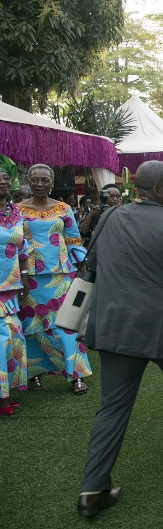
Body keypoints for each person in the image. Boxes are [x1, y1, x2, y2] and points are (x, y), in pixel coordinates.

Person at [77, 160, 163, 517]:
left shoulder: (110, 216)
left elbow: (92, 261)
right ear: (157, 191)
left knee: (113, 408)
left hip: (116, 327)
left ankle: (91, 491)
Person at [18, 164, 91, 395]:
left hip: (61, 276)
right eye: (35, 180)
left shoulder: (63, 208)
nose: (40, 185)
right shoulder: (16, 210)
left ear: (52, 183)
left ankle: (76, 375)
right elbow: (13, 243)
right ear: (28, 182)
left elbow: (73, 240)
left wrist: (82, 267)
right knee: (32, 327)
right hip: (29, 278)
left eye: (45, 180)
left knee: (66, 325)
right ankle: (34, 376)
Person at [0, 171, 31, 415]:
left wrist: (25, 277)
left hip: (10, 289)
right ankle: (2, 400)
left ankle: (6, 391)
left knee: (13, 340)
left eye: (5, 177)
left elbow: (23, 248)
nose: (3, 181)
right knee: (2, 342)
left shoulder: (16, 211)